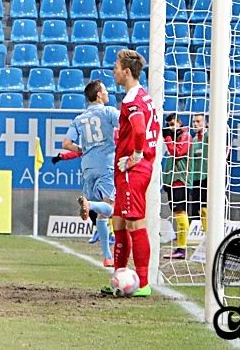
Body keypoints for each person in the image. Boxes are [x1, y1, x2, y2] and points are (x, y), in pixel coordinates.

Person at [104, 48, 159, 297]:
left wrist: (135, 156)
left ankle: (144, 283)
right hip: (133, 168)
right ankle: (119, 276)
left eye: (116, 67)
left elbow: (138, 129)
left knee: (135, 222)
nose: (113, 71)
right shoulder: (144, 96)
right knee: (118, 220)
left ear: (127, 72)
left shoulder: (131, 100)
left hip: (133, 170)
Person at [63, 80, 119, 267]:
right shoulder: (109, 111)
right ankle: (90, 204)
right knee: (110, 208)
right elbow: (127, 124)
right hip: (106, 164)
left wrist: (82, 150)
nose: (107, 92)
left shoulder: (79, 119)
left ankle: (107, 256)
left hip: (87, 166)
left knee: (101, 214)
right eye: (104, 90)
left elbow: (66, 144)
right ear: (98, 95)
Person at [161, 112, 192, 260]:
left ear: (179, 123)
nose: (171, 128)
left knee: (181, 212)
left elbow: (177, 153)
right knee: (177, 213)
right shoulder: (174, 139)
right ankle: (180, 247)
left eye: (173, 124)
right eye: (168, 125)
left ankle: (182, 248)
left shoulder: (185, 136)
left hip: (180, 180)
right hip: (172, 181)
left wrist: (167, 138)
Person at [187, 113, 208, 233]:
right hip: (195, 179)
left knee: (206, 208)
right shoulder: (193, 140)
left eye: (198, 121)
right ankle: (197, 235)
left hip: (207, 178)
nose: (195, 124)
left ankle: (209, 234)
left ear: (205, 123)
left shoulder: (209, 137)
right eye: (194, 121)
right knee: (195, 208)